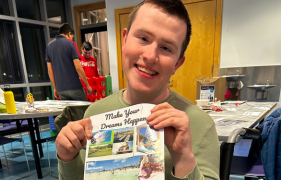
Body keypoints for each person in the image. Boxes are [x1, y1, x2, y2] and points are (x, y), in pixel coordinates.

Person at [55, 0, 220, 179]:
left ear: (177, 64)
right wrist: (67, 156)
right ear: (125, 40)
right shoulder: (95, 113)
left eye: (166, 48)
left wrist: (183, 158)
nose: (150, 56)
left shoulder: (201, 125)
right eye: (143, 38)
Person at [45, 23, 92, 100]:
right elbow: (78, 68)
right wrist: (88, 85)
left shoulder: (49, 47)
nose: (71, 39)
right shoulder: (70, 44)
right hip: (74, 87)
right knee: (83, 110)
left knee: (69, 111)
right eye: (72, 37)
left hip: (61, 89)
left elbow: (50, 71)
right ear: (69, 34)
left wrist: (55, 88)